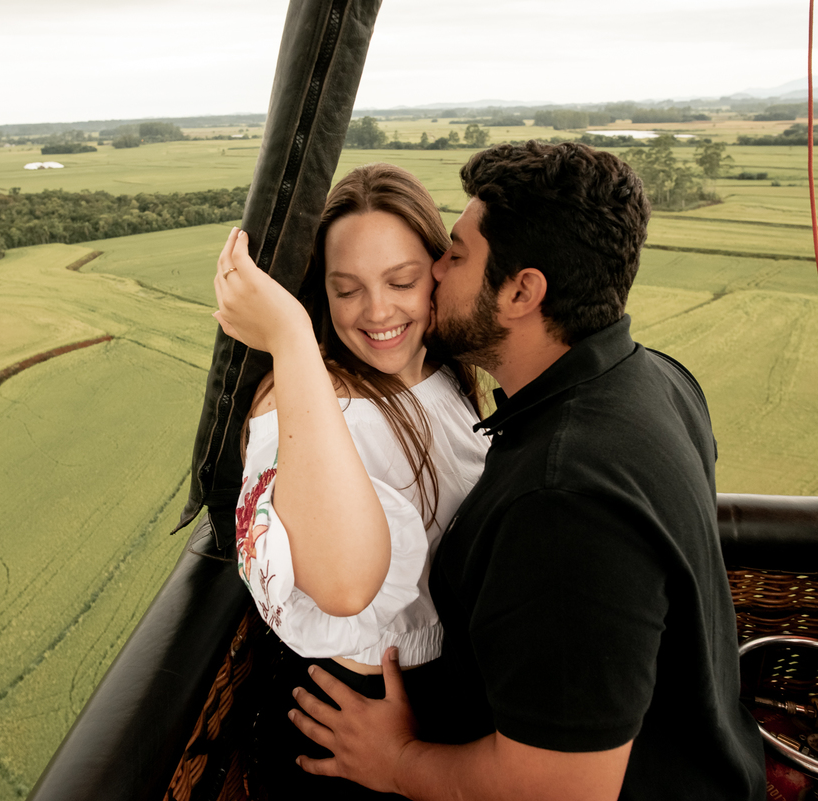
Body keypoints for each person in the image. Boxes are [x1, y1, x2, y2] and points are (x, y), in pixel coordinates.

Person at [288, 141, 767, 801]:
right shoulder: (656, 378)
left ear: (521, 291)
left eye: (455, 252)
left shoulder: (564, 499)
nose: (436, 270)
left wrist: (397, 760)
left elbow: (558, 790)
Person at [213, 163, 490, 798]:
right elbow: (343, 586)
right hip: (354, 720)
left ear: (438, 274)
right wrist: (289, 338)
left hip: (441, 703)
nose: (378, 311)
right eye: (347, 290)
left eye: (401, 281)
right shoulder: (302, 399)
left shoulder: (445, 378)